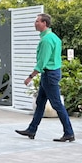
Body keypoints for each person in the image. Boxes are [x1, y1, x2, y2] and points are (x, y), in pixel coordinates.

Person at [15, 13, 75, 142]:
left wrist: (30, 77)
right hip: (52, 73)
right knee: (40, 102)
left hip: (49, 75)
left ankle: (69, 132)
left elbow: (42, 62)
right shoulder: (54, 37)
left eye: (37, 21)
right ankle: (32, 130)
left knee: (57, 104)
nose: (35, 23)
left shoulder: (46, 40)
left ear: (44, 23)